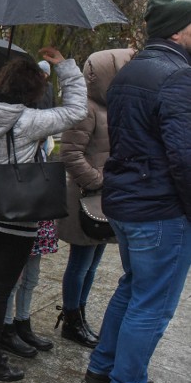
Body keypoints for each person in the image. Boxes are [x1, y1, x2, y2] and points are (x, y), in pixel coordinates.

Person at [87, 0, 191, 383]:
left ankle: (102, 367)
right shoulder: (177, 76)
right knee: (152, 302)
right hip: (160, 207)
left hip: (129, 201)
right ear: (179, 30)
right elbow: (184, 155)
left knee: (132, 288)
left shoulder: (132, 71)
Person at [0, 50, 86, 382]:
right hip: (15, 214)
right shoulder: (28, 120)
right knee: (0, 288)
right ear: (31, 90)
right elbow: (77, 109)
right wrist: (65, 66)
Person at [56, 48, 133, 349]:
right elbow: (70, 154)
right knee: (80, 262)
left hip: (104, 197)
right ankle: (72, 318)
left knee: (93, 262)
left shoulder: (111, 107)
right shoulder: (85, 109)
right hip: (85, 197)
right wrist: (99, 181)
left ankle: (80, 314)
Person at [0, 218, 58, 357]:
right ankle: (6, 328)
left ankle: (22, 323)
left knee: (31, 277)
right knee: (13, 280)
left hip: (41, 221)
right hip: (21, 219)